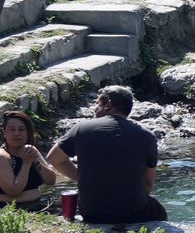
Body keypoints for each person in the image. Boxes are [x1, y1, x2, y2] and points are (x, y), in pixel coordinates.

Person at [46, 86, 165, 223]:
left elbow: (53, 158)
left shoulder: (82, 128)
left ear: (108, 104)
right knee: (158, 210)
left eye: (97, 104)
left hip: (91, 213)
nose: (95, 109)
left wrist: (82, 178)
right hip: (133, 213)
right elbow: (148, 184)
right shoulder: (147, 136)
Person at [0, 110, 56, 210]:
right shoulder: (2, 156)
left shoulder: (31, 150)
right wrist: (26, 164)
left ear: (27, 133)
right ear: (4, 132)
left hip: (37, 203)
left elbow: (51, 180)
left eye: (21, 129)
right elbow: (13, 191)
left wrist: (36, 162)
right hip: (11, 209)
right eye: (12, 129)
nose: (17, 133)